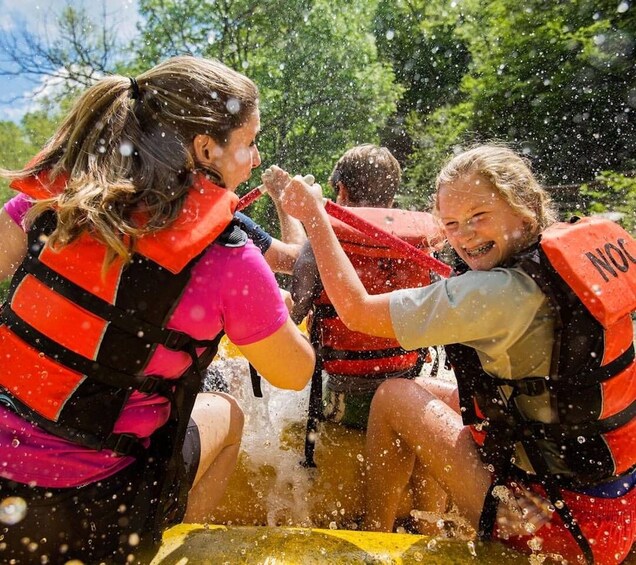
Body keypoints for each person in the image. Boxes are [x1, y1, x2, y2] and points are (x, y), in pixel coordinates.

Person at [0, 55, 315, 564]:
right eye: (249, 142)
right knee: (229, 416)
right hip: (101, 513)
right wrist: (275, 309)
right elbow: (296, 373)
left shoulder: (54, 202)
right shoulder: (230, 259)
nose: (255, 158)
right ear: (205, 148)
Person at [280, 144, 636, 564]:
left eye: (479, 217)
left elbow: (356, 311)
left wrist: (314, 215)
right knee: (430, 388)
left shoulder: (494, 293)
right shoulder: (567, 260)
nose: (464, 234)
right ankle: (428, 524)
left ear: (522, 208)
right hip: (614, 509)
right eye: (450, 223)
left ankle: (373, 541)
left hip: (555, 527)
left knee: (393, 395)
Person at [285, 144, 441, 466]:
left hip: (344, 400)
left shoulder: (319, 246)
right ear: (391, 197)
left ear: (340, 190)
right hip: (407, 387)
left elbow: (292, 316)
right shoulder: (421, 249)